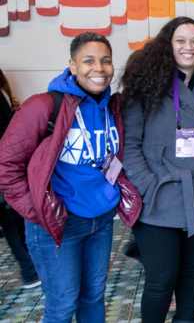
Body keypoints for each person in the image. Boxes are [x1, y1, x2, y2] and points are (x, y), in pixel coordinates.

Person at [0, 32, 142, 322]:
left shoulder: (112, 108)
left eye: (106, 61)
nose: (98, 68)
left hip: (100, 220)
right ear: (72, 66)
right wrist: (38, 211)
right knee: (63, 305)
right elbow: (6, 166)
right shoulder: (43, 106)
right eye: (88, 61)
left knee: (93, 297)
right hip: (58, 224)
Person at [121, 17, 194, 323]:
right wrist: (148, 185)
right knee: (162, 279)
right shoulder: (145, 85)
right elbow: (129, 145)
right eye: (181, 40)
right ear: (167, 45)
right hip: (157, 198)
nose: (189, 47)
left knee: (190, 272)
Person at [0, 69, 41, 290]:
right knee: (14, 225)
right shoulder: (2, 93)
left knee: (13, 226)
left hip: (6, 170)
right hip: (7, 171)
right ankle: (31, 271)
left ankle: (31, 271)